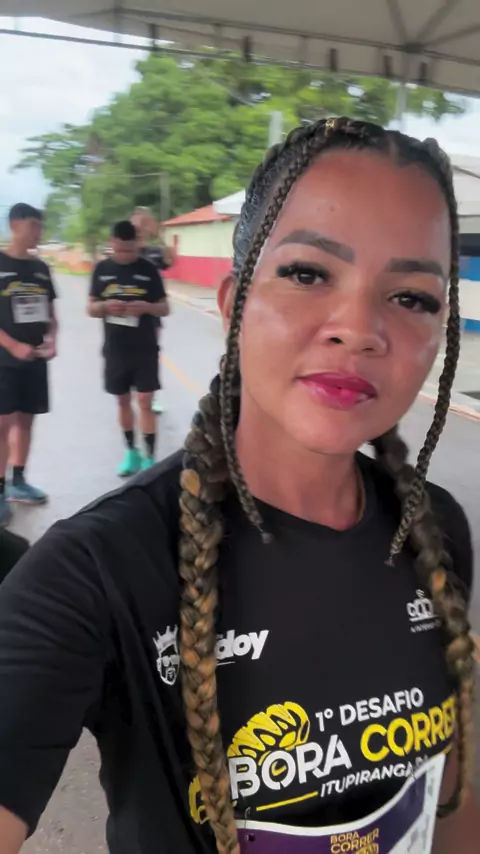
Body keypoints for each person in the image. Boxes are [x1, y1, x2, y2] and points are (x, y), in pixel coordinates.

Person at [0, 118, 479, 854]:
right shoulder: (95, 571)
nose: (359, 329)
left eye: (412, 297)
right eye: (308, 273)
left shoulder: (434, 528)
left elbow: (450, 796)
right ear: (231, 306)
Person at [89, 220, 170, 476]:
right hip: (115, 348)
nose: (125, 255)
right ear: (112, 243)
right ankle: (131, 452)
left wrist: (146, 307)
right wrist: (105, 307)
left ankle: (149, 457)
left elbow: (165, 307)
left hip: (144, 348)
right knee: (123, 401)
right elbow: (90, 307)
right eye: (121, 250)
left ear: (137, 243)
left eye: (130, 250)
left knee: (145, 401)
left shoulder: (148, 269)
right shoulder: (101, 269)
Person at [0, 203, 57, 526]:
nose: (39, 232)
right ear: (15, 225)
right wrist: (12, 345)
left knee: (26, 421)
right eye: (33, 225)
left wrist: (52, 340)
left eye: (40, 226)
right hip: (4, 360)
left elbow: (52, 314)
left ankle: (19, 481)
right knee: (2, 424)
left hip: (35, 358)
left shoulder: (40, 269)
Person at [131, 207, 174, 415]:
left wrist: (160, 235)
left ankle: (150, 395)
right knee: (127, 354)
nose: (139, 228)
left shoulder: (154, 252)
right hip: (127, 314)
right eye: (136, 224)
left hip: (152, 314)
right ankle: (130, 389)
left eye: (143, 224)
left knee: (150, 354)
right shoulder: (125, 252)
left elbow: (171, 260)